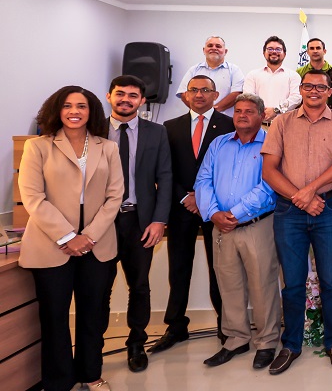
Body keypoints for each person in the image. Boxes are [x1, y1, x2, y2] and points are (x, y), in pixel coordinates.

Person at [18, 86, 123, 391]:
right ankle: (58, 381)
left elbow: (115, 196)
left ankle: (91, 374)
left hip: (97, 245)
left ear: (92, 111)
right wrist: (67, 236)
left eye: (81, 106)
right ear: (57, 110)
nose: (74, 111)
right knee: (54, 317)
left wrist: (88, 236)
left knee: (93, 314)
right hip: (50, 245)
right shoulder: (37, 146)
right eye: (67, 105)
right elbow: (33, 197)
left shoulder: (108, 147)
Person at [261, 69, 332, 372]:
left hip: (328, 209)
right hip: (289, 212)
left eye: (320, 87)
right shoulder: (281, 123)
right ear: (300, 89)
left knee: (330, 280)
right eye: (308, 86)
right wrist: (299, 197)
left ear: (329, 91)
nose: (314, 91)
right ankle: (291, 345)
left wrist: (309, 192)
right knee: (292, 282)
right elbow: (269, 170)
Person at [197, 94, 281, 370]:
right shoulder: (219, 143)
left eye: (249, 111)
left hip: (257, 225)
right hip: (221, 227)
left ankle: (267, 341)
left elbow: (270, 184)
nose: (242, 115)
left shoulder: (271, 143)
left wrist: (236, 213)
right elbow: (203, 180)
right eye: (238, 111)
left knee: (263, 285)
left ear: (262, 116)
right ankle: (236, 339)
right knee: (228, 284)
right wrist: (213, 213)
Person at [152, 75, 235, 355]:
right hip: (181, 208)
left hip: (216, 209)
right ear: (186, 95)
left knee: (220, 269)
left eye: (205, 90)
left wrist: (204, 200)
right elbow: (164, 170)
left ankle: (227, 324)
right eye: (194, 90)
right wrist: (186, 197)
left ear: (215, 95)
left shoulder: (229, 125)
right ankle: (176, 326)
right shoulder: (170, 127)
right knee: (178, 269)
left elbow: (229, 170)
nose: (199, 94)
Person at [105, 75, 173, 372]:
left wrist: (159, 220)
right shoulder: (93, 131)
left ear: (142, 101)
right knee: (99, 287)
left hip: (139, 220)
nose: (126, 100)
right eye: (120, 93)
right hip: (101, 224)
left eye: (133, 95)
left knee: (140, 286)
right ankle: (93, 345)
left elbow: (165, 177)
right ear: (109, 96)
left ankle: (136, 342)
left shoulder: (156, 132)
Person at [176, 35, 245, 116]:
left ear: (225, 51)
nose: (214, 48)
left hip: (226, 119)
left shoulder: (234, 70)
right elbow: (183, 93)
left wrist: (213, 112)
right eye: (210, 45)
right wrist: (199, 111)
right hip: (199, 119)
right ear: (204, 50)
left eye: (218, 46)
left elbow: (237, 94)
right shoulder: (193, 70)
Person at [242, 36, 302, 123]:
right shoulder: (253, 75)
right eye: (270, 49)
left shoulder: (293, 76)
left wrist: (276, 110)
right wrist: (262, 112)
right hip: (258, 125)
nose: (274, 52)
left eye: (278, 49)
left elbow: (296, 98)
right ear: (264, 53)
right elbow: (248, 97)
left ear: (284, 54)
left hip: (284, 125)